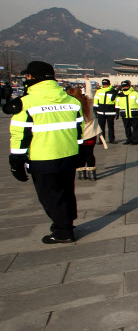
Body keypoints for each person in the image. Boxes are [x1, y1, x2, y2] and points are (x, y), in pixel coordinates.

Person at [8, 61, 83, 244]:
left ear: (31, 77)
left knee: (50, 196)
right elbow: (78, 130)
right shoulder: (71, 101)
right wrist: (82, 152)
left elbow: (19, 134)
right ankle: (67, 223)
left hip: (43, 158)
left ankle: (62, 231)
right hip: (69, 154)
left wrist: (16, 161)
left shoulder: (26, 102)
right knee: (66, 192)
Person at [67, 77, 102, 180]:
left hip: (76, 135)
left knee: (79, 154)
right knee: (90, 154)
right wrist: (87, 81)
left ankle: (81, 173)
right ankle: (92, 173)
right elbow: (89, 92)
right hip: (90, 133)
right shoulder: (88, 102)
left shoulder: (69, 106)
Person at [116, 80, 138, 145]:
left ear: (129, 86)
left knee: (135, 128)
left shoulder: (135, 93)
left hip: (134, 113)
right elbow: (117, 103)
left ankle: (135, 140)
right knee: (127, 128)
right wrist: (117, 112)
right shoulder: (120, 95)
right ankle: (129, 139)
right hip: (124, 113)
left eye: (126, 86)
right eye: (123, 87)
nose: (125, 88)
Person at [93, 78, 118, 143]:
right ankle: (101, 140)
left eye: (106, 84)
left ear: (109, 84)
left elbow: (116, 101)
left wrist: (117, 110)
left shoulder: (113, 91)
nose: (105, 86)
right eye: (104, 84)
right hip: (101, 111)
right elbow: (96, 100)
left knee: (111, 127)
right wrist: (95, 108)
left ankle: (112, 139)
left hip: (110, 111)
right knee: (101, 127)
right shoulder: (99, 91)